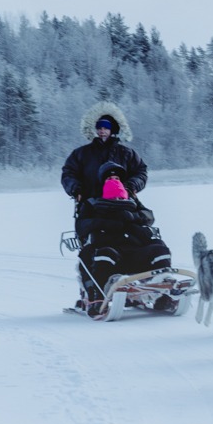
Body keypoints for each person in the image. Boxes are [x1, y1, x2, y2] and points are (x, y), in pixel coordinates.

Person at [61, 104, 168, 313]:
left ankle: (157, 288)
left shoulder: (126, 153)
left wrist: (130, 187)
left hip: (124, 201)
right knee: (94, 248)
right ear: (94, 129)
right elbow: (68, 173)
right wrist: (76, 189)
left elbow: (141, 172)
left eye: (106, 127)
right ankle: (94, 291)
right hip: (92, 204)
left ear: (114, 129)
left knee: (148, 241)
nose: (102, 130)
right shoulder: (82, 154)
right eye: (99, 127)